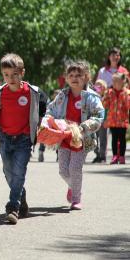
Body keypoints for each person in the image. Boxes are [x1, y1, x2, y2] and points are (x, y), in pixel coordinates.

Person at [0, 53, 48, 224]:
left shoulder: (33, 92)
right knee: (8, 172)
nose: (10, 78)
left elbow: (44, 107)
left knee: (19, 172)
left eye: (15, 74)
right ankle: (21, 197)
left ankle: (12, 207)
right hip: (5, 138)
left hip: (23, 139)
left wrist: (42, 123)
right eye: (6, 75)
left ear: (22, 73)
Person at [44, 61, 104, 210]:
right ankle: (73, 186)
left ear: (86, 77)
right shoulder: (62, 95)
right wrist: (48, 123)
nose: (74, 78)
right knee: (63, 170)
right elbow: (50, 110)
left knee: (75, 169)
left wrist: (84, 127)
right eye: (71, 75)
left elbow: (99, 115)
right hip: (64, 138)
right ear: (66, 78)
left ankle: (76, 198)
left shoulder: (91, 97)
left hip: (82, 138)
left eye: (78, 75)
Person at [102, 73, 130, 164]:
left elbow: (128, 106)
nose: (114, 83)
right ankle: (114, 156)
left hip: (123, 121)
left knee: (122, 139)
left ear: (122, 82)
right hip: (112, 120)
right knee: (114, 138)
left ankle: (121, 156)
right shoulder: (109, 92)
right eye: (113, 81)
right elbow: (104, 105)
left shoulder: (127, 93)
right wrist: (104, 97)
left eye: (116, 81)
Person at [92, 79, 108, 163]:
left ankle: (103, 156)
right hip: (95, 120)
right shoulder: (93, 97)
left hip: (104, 121)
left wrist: (107, 120)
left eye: (100, 86)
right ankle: (97, 154)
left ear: (104, 87)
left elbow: (108, 109)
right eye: (96, 86)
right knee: (95, 138)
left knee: (103, 139)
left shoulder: (107, 97)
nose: (98, 87)